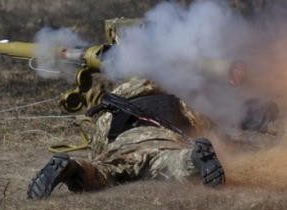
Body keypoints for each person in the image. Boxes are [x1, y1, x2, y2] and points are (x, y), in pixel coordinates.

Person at [27, 79, 225, 200]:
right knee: (174, 163)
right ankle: (194, 159)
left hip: (124, 145)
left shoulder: (112, 107)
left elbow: (99, 143)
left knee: (101, 171)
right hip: (165, 141)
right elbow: (202, 125)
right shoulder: (174, 100)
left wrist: (99, 158)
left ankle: (72, 168)